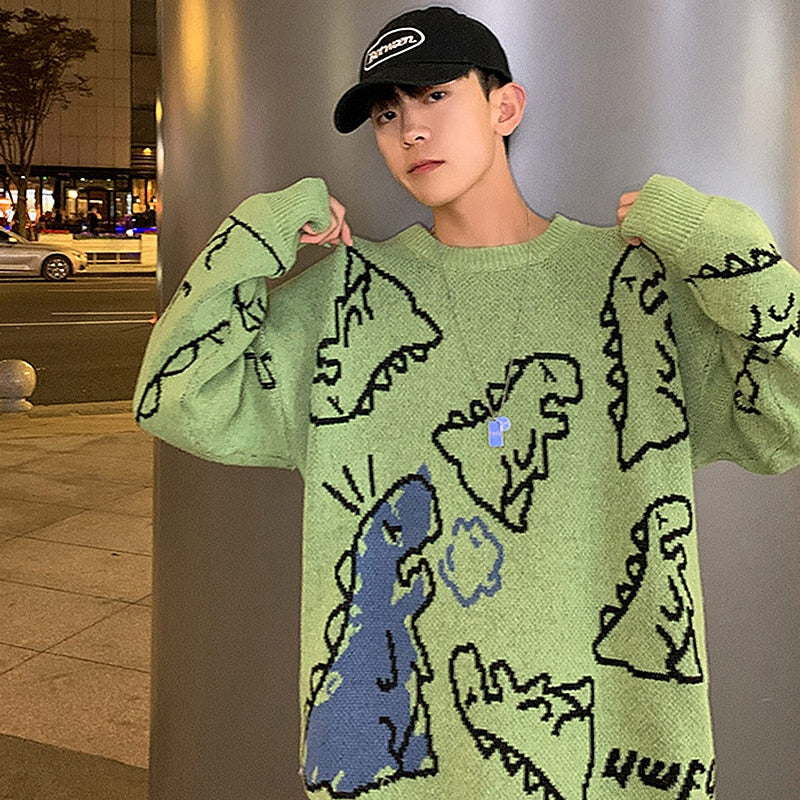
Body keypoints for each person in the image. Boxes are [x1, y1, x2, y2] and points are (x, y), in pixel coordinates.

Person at [134, 7, 800, 799]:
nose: (410, 130)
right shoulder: (347, 299)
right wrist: (261, 231)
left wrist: (720, 239)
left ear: (504, 107)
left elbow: (786, 417)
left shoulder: (634, 287)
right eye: (387, 114)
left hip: (616, 759)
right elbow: (173, 394)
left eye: (435, 95)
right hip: (402, 765)